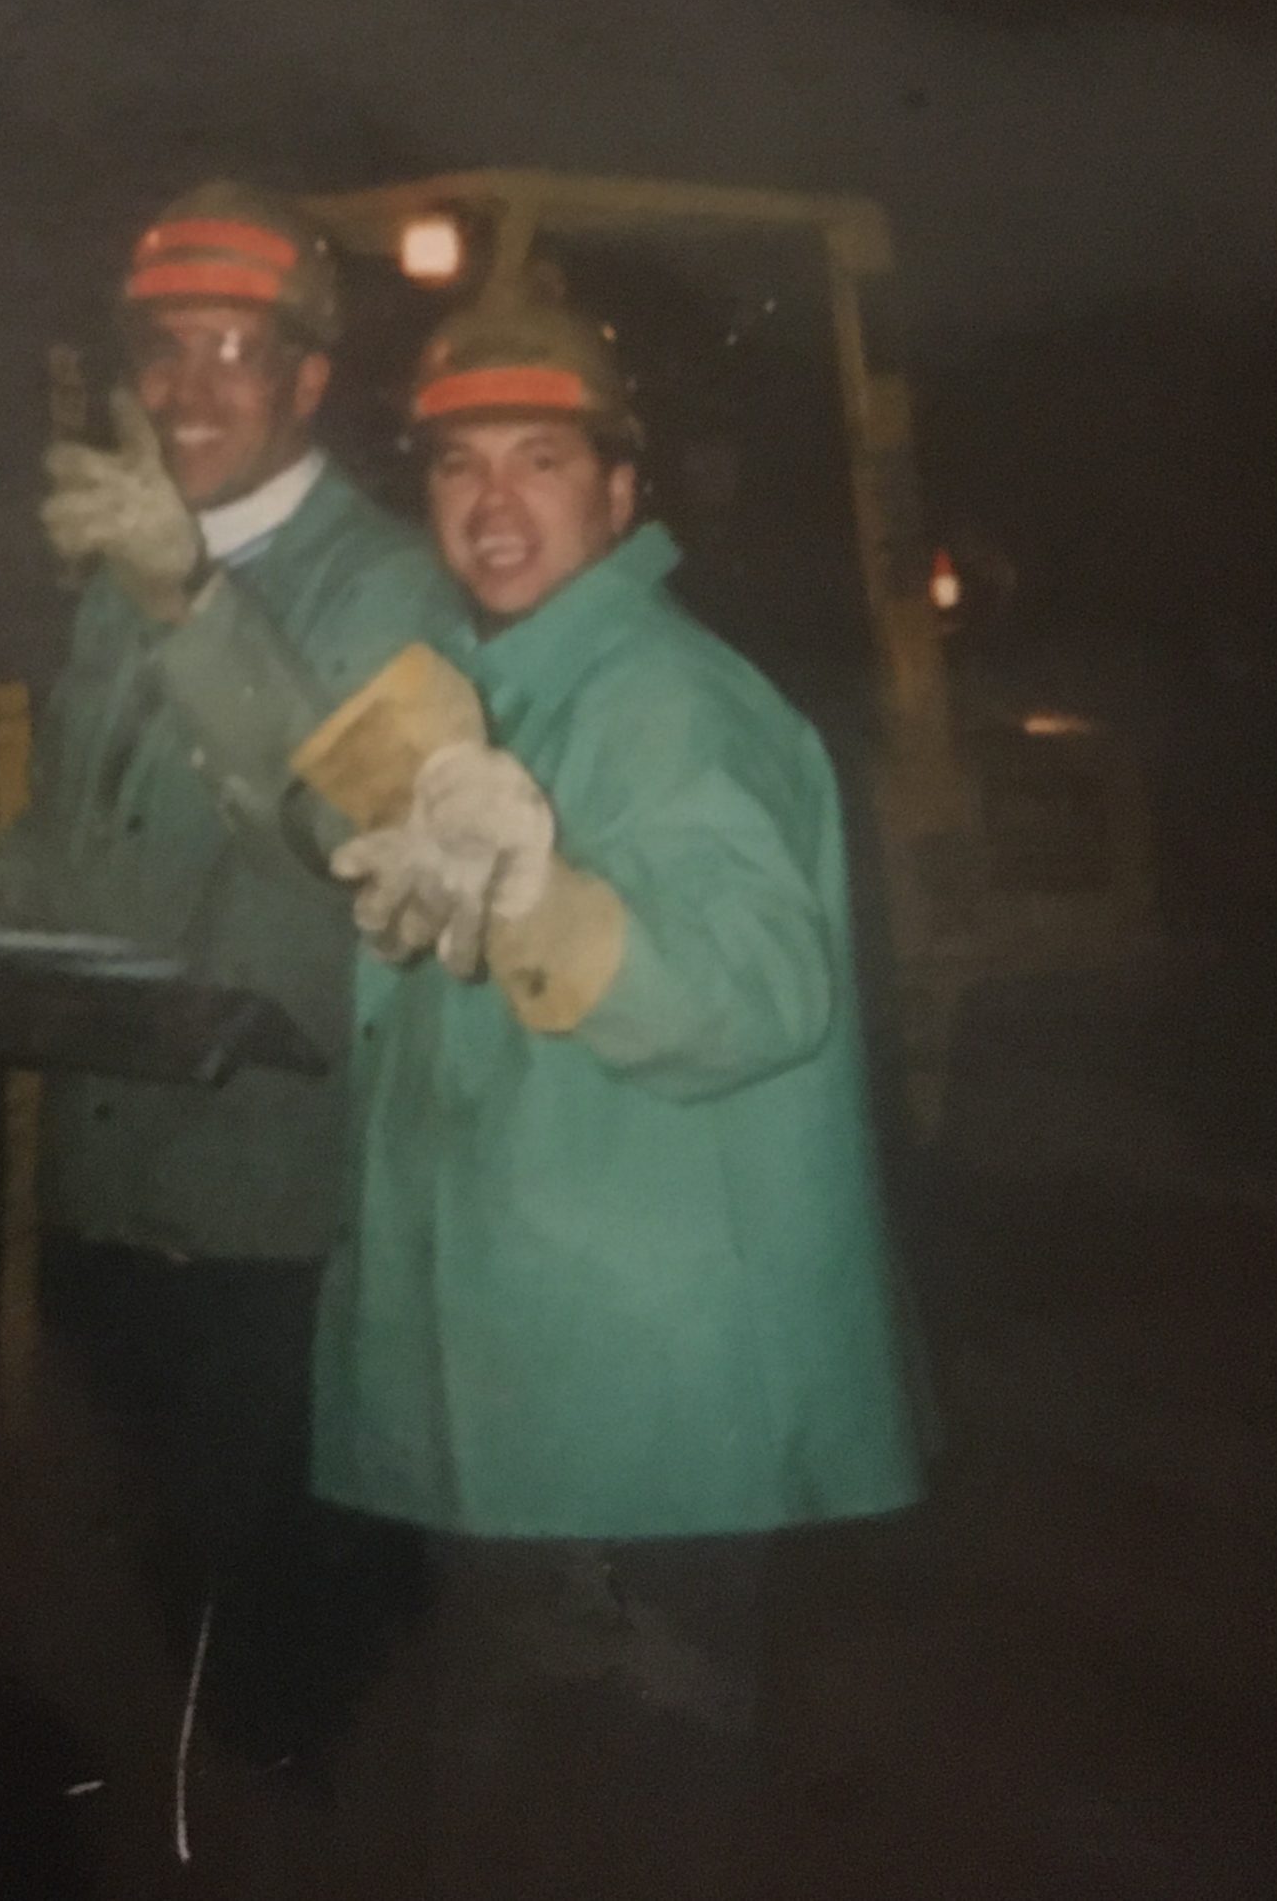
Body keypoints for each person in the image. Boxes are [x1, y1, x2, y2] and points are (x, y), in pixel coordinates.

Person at [304, 288, 927, 1881]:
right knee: (536, 1812)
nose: (494, 506)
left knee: (615, 1824)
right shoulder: (472, 681)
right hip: (536, 1377)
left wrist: (554, 910)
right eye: (458, 469)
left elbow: (759, 990)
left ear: (621, 494)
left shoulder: (664, 700)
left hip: (634, 1404)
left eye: (541, 463)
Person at [0, 181, 459, 1772]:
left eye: (236, 350)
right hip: (121, 1193)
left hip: (286, 1226)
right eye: (165, 352)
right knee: (156, 1614)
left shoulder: (385, 586)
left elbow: (364, 834)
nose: (188, 389)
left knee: (295, 1656)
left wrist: (187, 595)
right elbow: (65, 848)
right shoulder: (126, 572)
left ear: (310, 382)